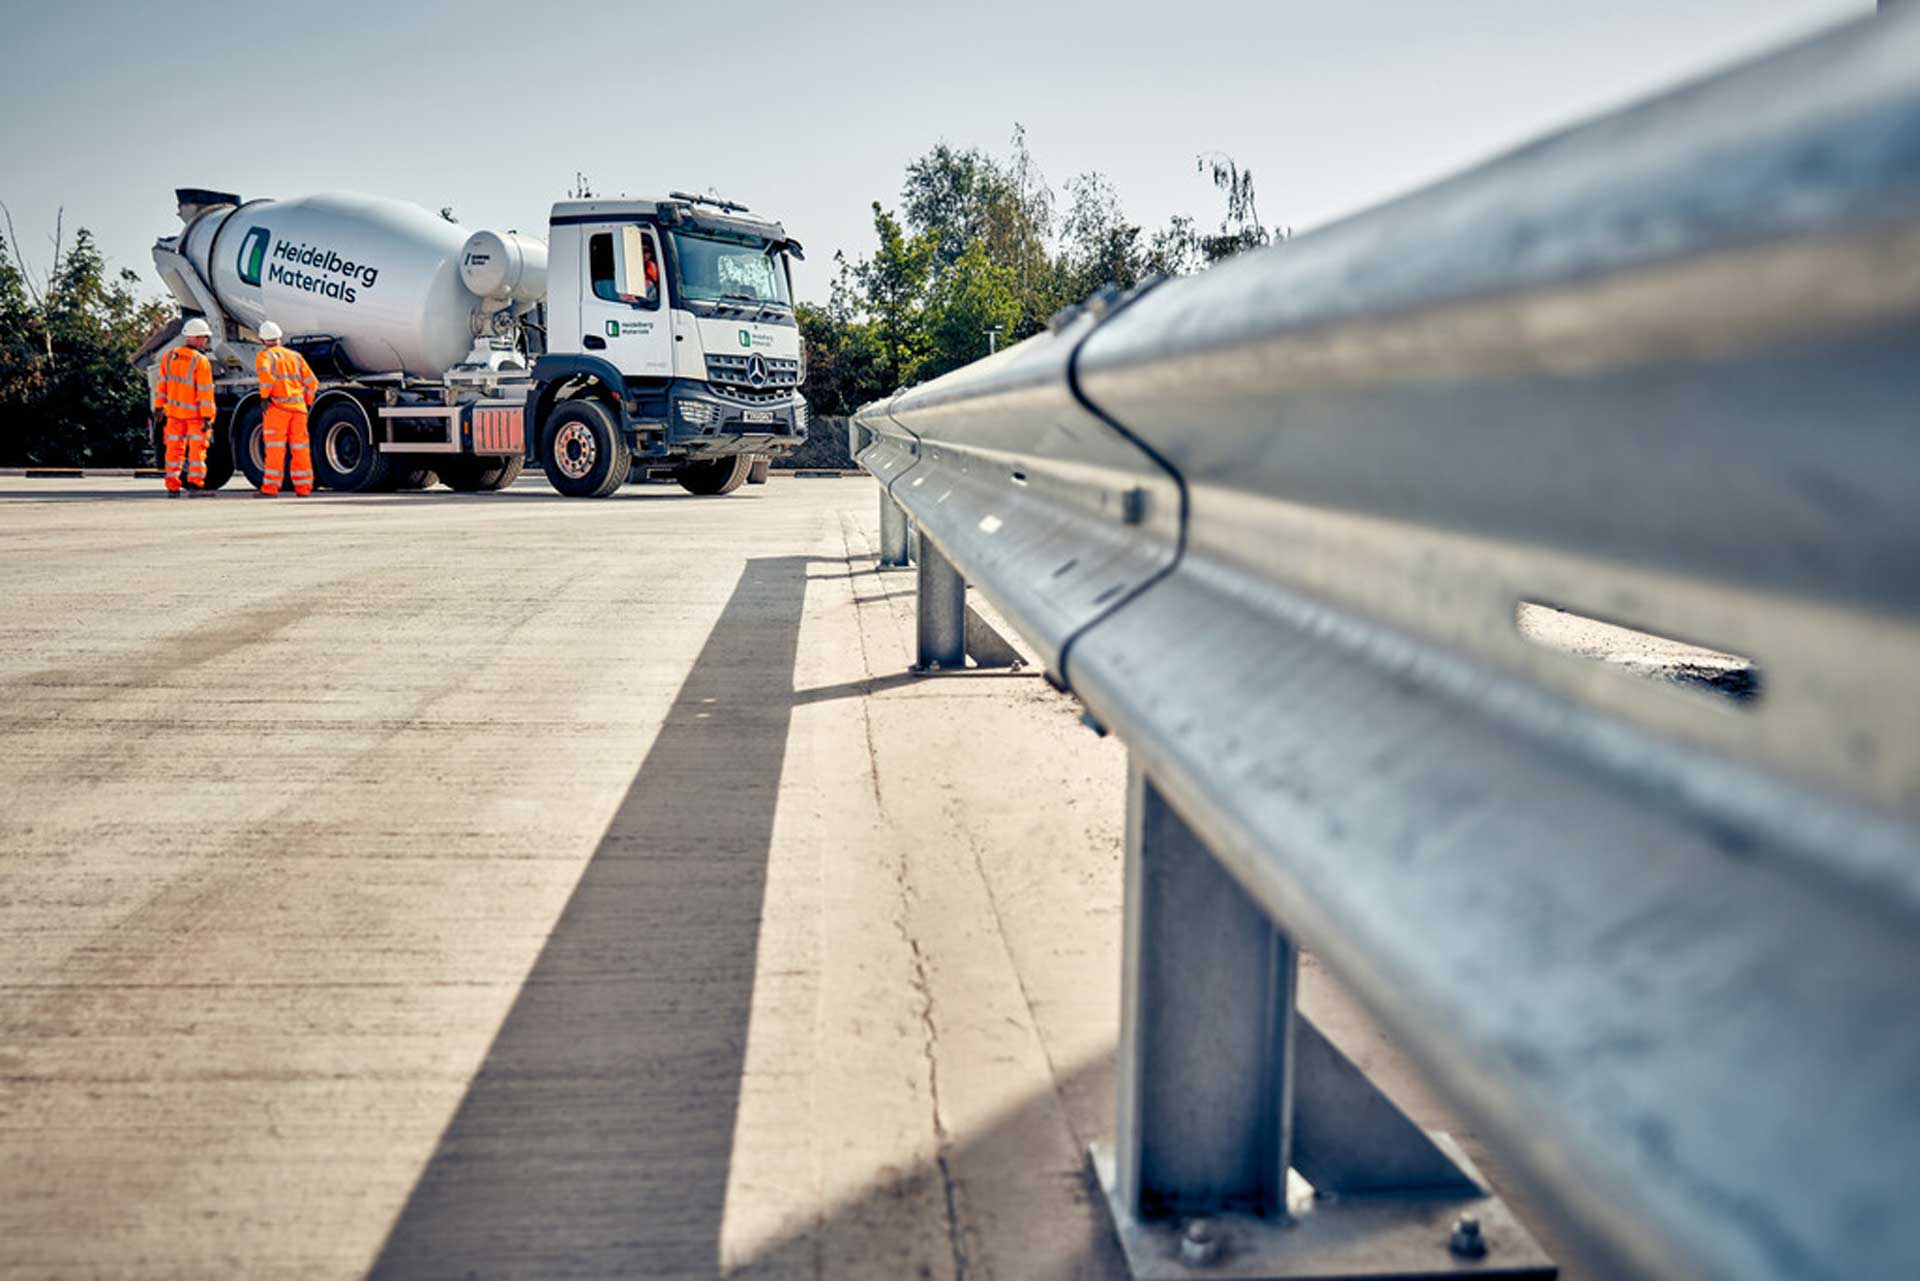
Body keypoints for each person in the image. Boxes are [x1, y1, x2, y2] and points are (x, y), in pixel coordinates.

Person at [153, 317, 217, 496]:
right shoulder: (200, 361)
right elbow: (205, 392)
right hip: (195, 416)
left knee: (174, 451)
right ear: (196, 338)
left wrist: (158, 407)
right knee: (197, 452)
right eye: (204, 337)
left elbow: (162, 385)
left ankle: (172, 487)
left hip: (173, 414)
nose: (205, 341)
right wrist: (207, 417)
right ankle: (196, 485)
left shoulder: (169, 357)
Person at [254, 321, 318, 497]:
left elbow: (266, 378)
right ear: (279, 338)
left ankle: (270, 488)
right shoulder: (295, 356)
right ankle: (304, 488)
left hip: (277, 408)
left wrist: (264, 397)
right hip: (298, 409)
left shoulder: (264, 356)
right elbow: (312, 383)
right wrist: (306, 402)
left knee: (275, 449)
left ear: (262, 340)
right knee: (301, 449)